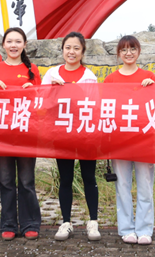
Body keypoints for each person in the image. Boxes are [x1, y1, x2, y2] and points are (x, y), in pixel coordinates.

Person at [41, 32, 101, 241]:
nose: (71, 52)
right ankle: (66, 222)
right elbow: (41, 103)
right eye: (68, 47)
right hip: (61, 134)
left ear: (83, 52)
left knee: (89, 178)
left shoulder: (89, 76)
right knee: (65, 178)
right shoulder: (52, 74)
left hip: (85, 134)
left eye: (76, 48)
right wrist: (53, 91)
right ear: (62, 50)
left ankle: (93, 222)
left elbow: (95, 106)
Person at [0, 27, 42, 240]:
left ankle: (30, 223)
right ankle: (8, 223)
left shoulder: (32, 69)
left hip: (26, 132)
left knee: (26, 181)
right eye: (10, 41)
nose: (14, 45)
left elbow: (41, 101)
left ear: (24, 45)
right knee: (6, 180)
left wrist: (32, 91)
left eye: (18, 41)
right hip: (2, 133)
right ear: (3, 45)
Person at [104, 35, 155, 246]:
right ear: (118, 54)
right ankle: (126, 229)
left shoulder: (148, 76)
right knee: (123, 186)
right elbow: (106, 108)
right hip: (120, 140)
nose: (128, 53)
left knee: (145, 185)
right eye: (124, 50)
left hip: (144, 140)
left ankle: (144, 229)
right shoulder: (110, 79)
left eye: (133, 49)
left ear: (139, 51)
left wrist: (152, 88)